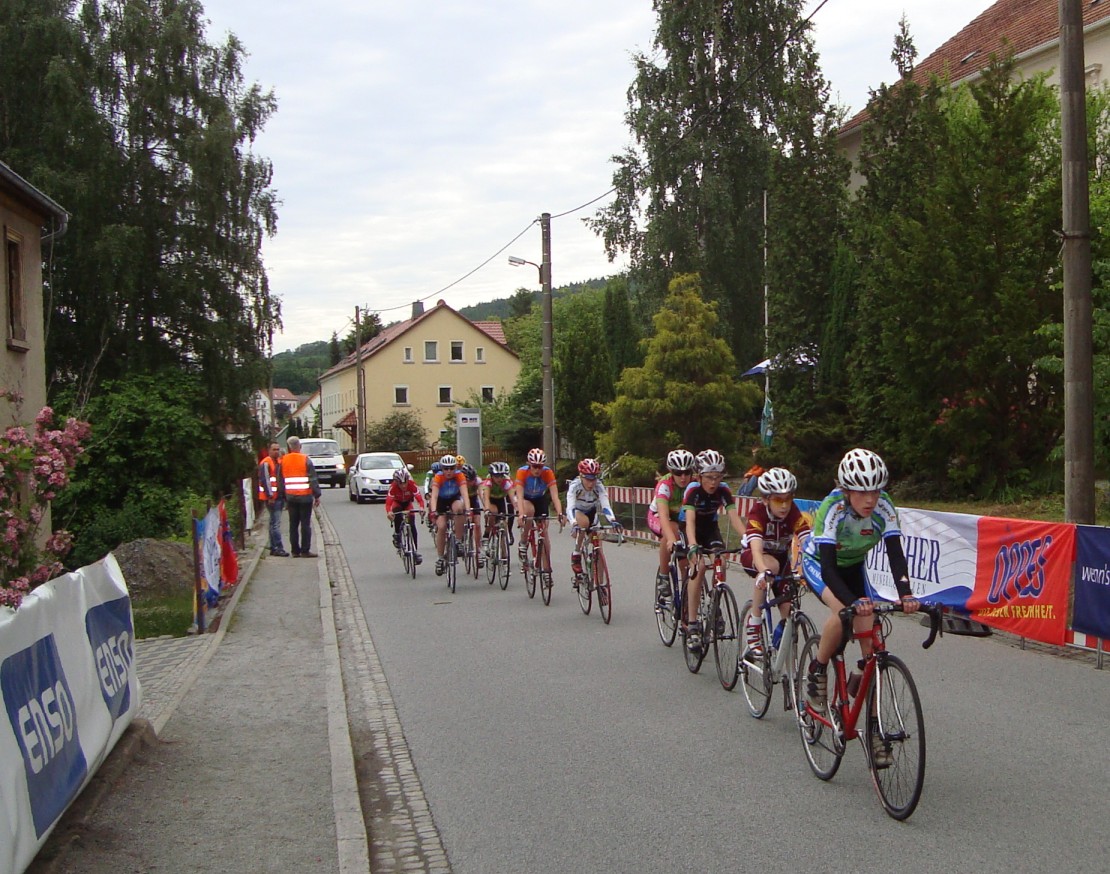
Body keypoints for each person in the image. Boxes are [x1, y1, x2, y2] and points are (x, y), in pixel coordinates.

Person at [801, 448, 919, 766]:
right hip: (819, 564)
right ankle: (817, 671)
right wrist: (853, 603)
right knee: (844, 614)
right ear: (847, 490)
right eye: (862, 491)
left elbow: (896, 555)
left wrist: (906, 594)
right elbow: (827, 568)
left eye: (876, 490)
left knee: (871, 649)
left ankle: (875, 729)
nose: (870, 499)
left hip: (853, 566)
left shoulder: (884, 507)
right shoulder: (833, 508)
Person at [740, 467, 811, 655]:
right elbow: (756, 548)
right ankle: (754, 624)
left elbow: (807, 541)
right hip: (755, 556)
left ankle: (783, 657)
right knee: (771, 566)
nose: (784, 505)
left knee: (789, 610)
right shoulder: (758, 513)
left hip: (782, 559)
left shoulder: (793, 512)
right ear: (765, 499)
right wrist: (762, 570)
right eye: (778, 500)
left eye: (788, 498)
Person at [682, 449, 746, 652]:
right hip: (692, 530)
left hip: (710, 529)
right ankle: (692, 624)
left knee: (722, 562)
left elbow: (734, 518)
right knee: (699, 567)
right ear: (699, 476)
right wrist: (692, 546)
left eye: (718, 477)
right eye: (709, 477)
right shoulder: (692, 490)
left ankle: (715, 604)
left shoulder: (724, 490)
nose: (714, 482)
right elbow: (690, 522)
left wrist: (748, 539)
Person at [647, 449, 696, 605]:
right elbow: (663, 515)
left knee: (685, 563)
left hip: (681, 519)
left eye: (687, 472)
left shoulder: (695, 484)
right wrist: (669, 539)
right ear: (670, 471)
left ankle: (686, 601)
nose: (683, 477)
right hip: (659, 516)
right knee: (671, 532)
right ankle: (663, 575)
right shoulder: (665, 485)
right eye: (678, 473)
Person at [565, 458, 621, 588]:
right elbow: (570, 507)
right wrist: (573, 523)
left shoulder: (598, 486)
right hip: (577, 512)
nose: (591, 483)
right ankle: (576, 554)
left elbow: (605, 505)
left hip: (592, 512)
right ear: (581, 476)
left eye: (594, 479)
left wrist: (613, 520)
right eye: (588, 479)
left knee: (599, 547)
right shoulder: (575, 486)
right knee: (583, 523)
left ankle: (600, 584)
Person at [514, 448, 564, 577]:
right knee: (529, 511)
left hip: (540, 499)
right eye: (534, 466)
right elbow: (519, 496)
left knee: (544, 531)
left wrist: (559, 513)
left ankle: (547, 569)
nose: (537, 470)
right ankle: (524, 542)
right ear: (529, 464)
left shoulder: (547, 473)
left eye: (540, 466)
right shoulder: (522, 472)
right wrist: (521, 514)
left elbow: (555, 497)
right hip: (525, 499)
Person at [279, 435, 322, 558]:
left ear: (289, 447)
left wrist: (283, 497)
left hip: (291, 497)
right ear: (300, 446)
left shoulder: (283, 460)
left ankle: (294, 551)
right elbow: (313, 478)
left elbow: (280, 480)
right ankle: (305, 550)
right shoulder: (305, 459)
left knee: (293, 524)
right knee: (305, 524)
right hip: (305, 497)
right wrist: (317, 495)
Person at [429, 454, 470, 576]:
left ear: (455, 468)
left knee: (459, 508)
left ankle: (458, 541)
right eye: (446, 468)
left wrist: (468, 510)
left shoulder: (459, 475)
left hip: (454, 499)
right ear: (442, 469)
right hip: (441, 501)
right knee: (441, 527)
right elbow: (434, 496)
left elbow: (465, 494)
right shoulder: (438, 477)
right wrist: (433, 511)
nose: (449, 471)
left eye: (451, 468)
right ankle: (440, 558)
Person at [385, 467, 425, 564]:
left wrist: (421, 508)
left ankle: (415, 552)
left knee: (412, 525)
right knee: (397, 514)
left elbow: (419, 498)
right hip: (397, 503)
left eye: (405, 482)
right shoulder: (393, 487)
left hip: (407, 503)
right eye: (401, 483)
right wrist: (389, 512)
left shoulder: (412, 485)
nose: (403, 485)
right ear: (397, 482)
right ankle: (397, 534)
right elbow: (388, 503)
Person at [258, 442, 288, 556]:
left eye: (278, 449)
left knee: (273, 523)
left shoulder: (278, 462)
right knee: (276, 524)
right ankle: (278, 547)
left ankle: (273, 546)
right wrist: (270, 496)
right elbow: (266, 480)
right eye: (274, 449)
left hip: (278, 496)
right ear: (269, 450)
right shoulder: (266, 463)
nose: (276, 451)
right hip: (272, 498)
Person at [479, 461, 518, 547]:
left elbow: (513, 498)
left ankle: (503, 549)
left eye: (501, 476)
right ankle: (486, 534)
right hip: (490, 499)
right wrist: (487, 509)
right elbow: (486, 498)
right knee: (493, 513)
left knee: (503, 522)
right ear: (492, 476)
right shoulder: (488, 483)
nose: (499, 479)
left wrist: (518, 509)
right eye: (496, 476)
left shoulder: (506, 482)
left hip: (500, 500)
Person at [459, 460, 485, 568]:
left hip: (474, 500)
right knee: (462, 516)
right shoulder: (459, 482)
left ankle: (478, 551)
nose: (471, 483)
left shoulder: (477, 481)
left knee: (477, 524)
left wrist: (486, 507)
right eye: (469, 481)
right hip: (462, 500)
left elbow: (481, 494)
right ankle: (461, 537)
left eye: (472, 480)